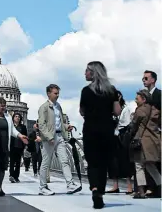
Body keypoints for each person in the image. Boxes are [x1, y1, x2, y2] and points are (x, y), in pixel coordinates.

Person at [79, 61, 121, 209]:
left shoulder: (85, 91)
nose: (85, 73)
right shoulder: (111, 90)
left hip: (90, 128)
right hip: (107, 129)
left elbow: (82, 112)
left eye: (87, 71)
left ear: (93, 73)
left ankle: (94, 188)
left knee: (92, 162)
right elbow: (117, 112)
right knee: (103, 162)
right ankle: (100, 192)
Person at [38, 84, 81, 196]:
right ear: (49, 93)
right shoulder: (44, 107)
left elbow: (59, 123)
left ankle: (70, 184)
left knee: (64, 160)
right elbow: (41, 125)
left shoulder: (58, 106)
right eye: (55, 93)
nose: (57, 96)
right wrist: (49, 137)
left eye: (58, 93)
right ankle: (42, 187)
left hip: (59, 136)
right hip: (49, 138)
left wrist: (67, 127)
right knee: (46, 163)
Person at [0, 97, 28, 196]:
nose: (3, 108)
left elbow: (12, 130)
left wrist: (20, 136)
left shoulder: (8, 117)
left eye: (4, 106)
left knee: (2, 166)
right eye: (1, 106)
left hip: (5, 144)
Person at [129, 89, 161, 199]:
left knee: (139, 166)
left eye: (137, 98)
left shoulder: (140, 111)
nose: (135, 100)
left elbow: (133, 126)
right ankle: (160, 186)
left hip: (141, 141)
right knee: (151, 165)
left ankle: (141, 192)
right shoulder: (155, 110)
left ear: (144, 99)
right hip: (152, 141)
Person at [9, 113, 28, 183]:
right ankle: (11, 175)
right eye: (16, 116)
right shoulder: (10, 126)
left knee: (18, 162)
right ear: (13, 118)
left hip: (20, 146)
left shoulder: (23, 127)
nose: (17, 118)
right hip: (12, 145)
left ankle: (16, 176)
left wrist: (25, 145)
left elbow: (25, 136)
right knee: (12, 161)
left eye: (19, 117)